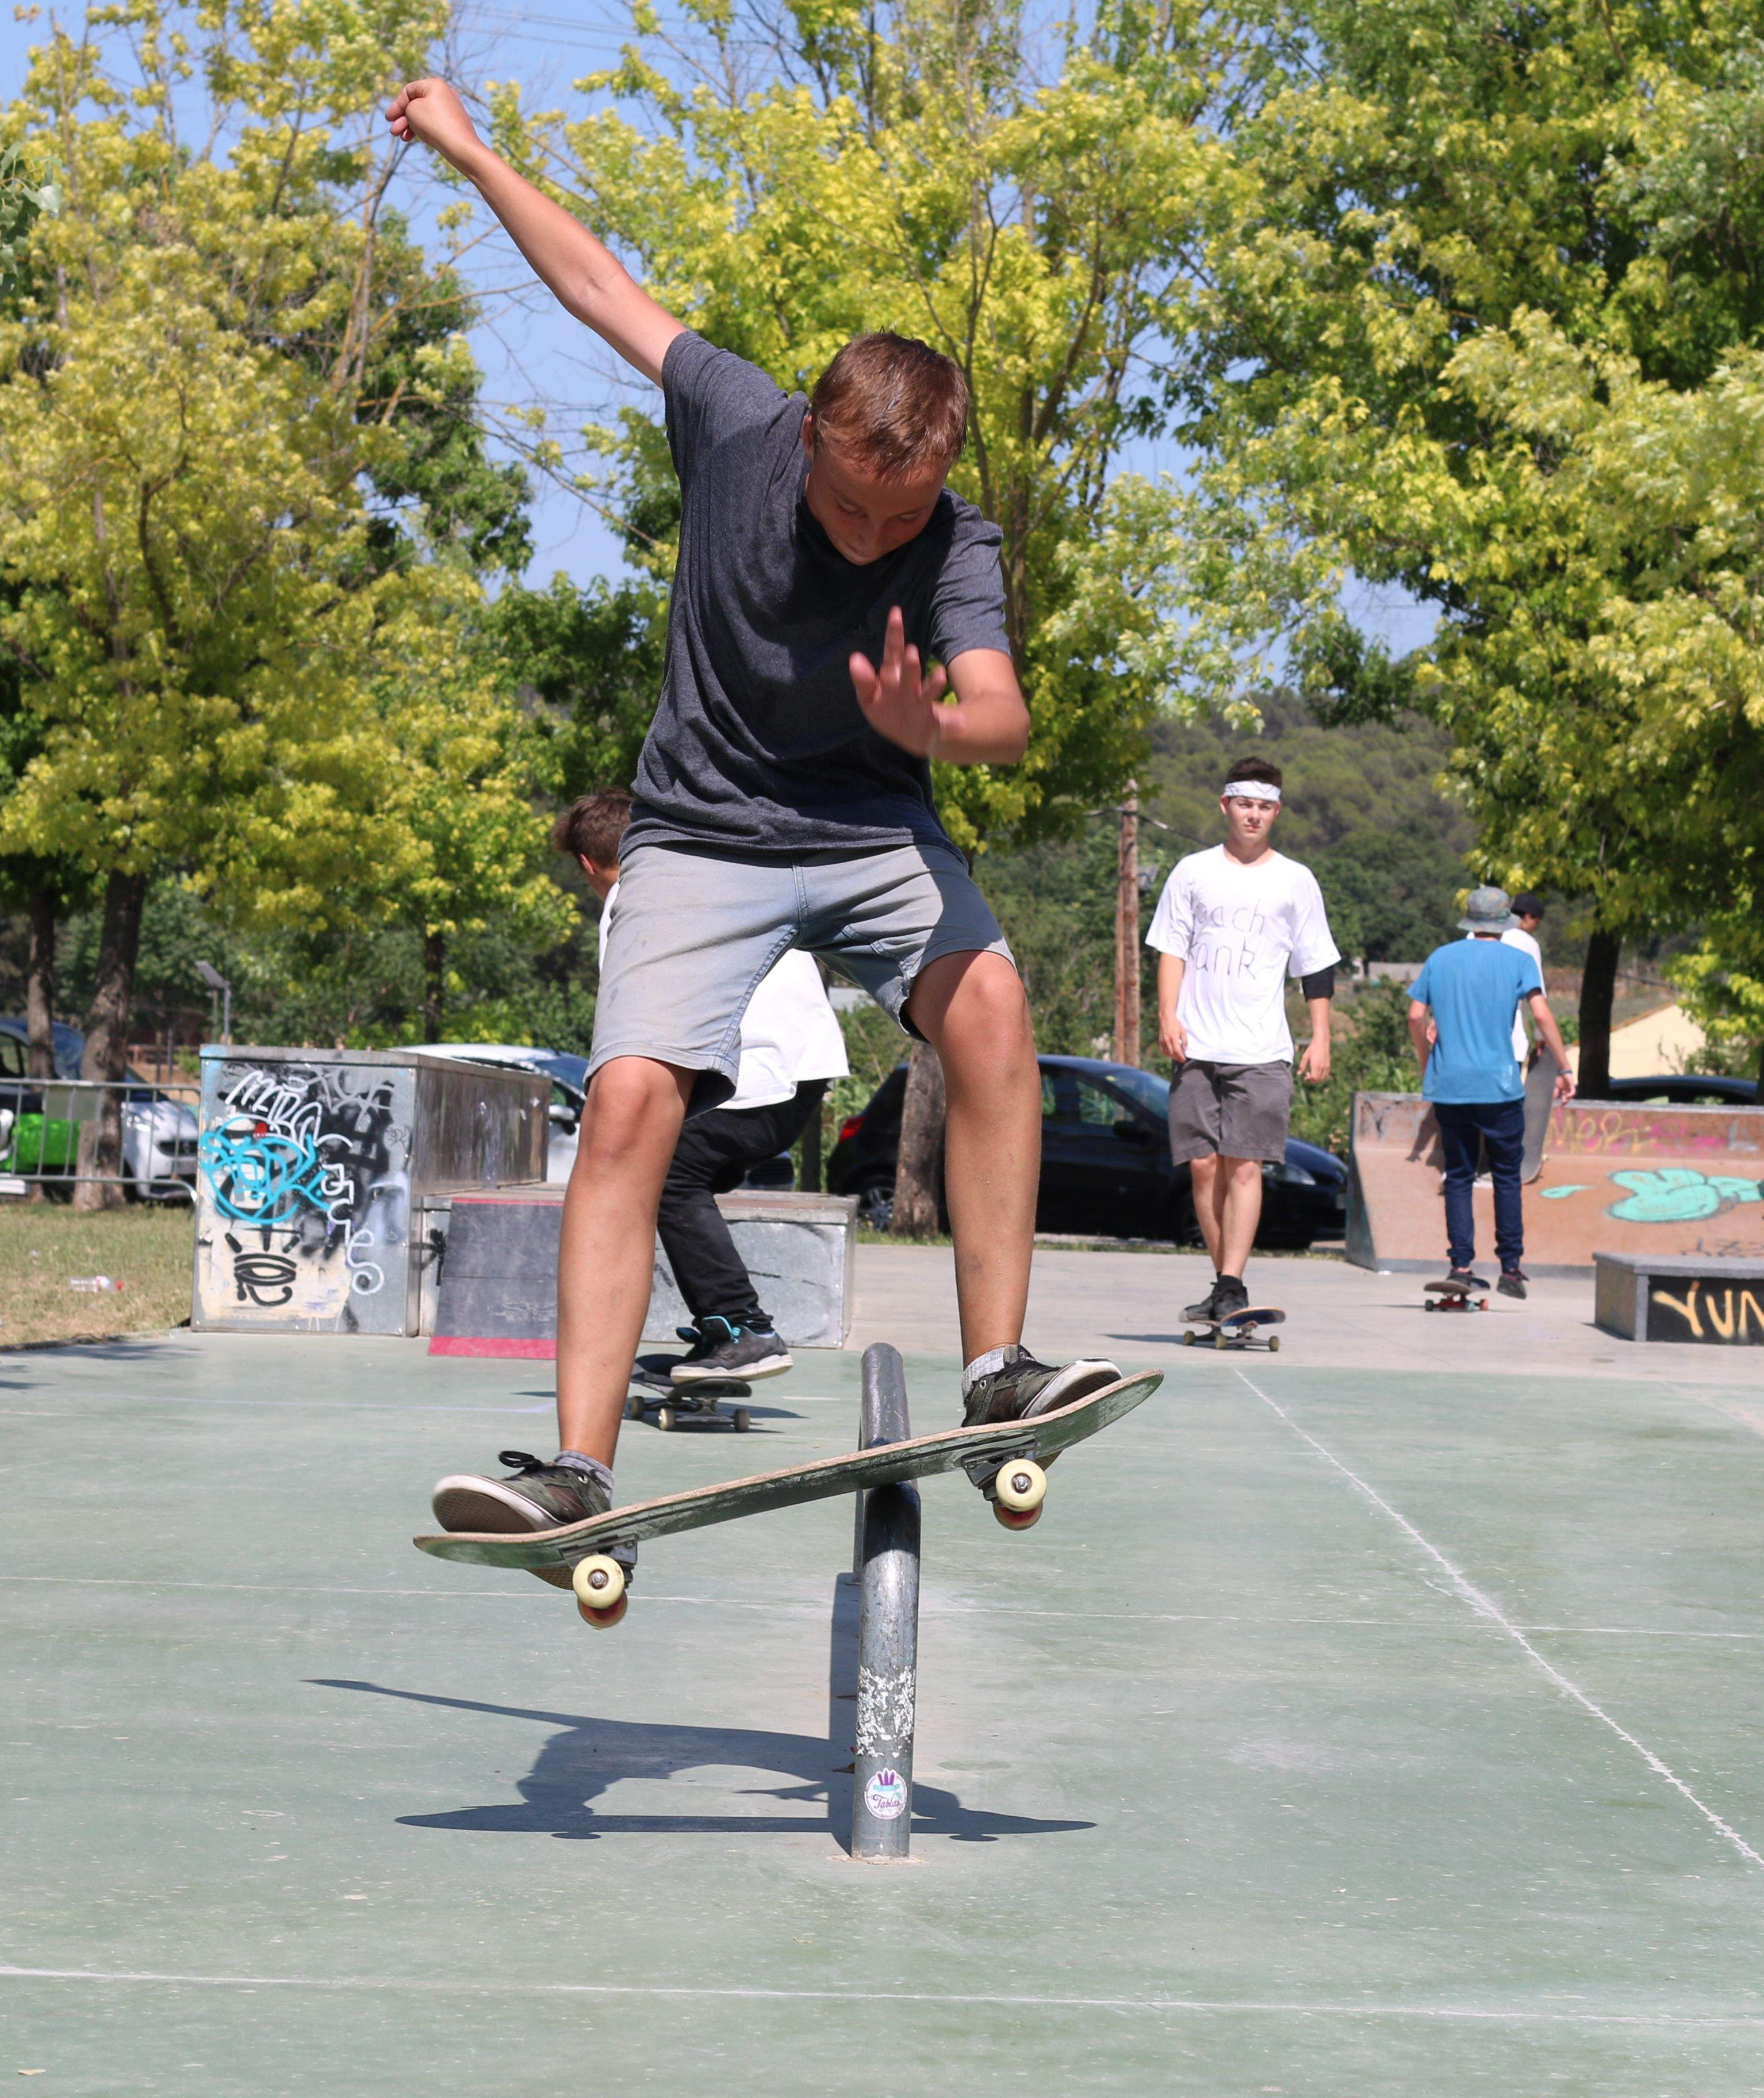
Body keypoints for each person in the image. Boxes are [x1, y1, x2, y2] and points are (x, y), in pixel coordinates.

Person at [387, 78, 1122, 1575]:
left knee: (990, 1007)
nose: (874, 537)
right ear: (811, 442)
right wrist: (468, 146)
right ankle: (579, 1473)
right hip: (702, 830)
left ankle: (999, 1370)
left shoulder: (955, 539)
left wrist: (933, 727)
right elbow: (596, 283)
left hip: (870, 827)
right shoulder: (734, 418)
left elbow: (1002, 712)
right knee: (633, 1101)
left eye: (901, 515)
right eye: (851, 507)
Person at [562, 790, 849, 1382]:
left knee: (665, 1173)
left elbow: (635, 1026)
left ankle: (742, 1327)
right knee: (676, 1176)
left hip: (759, 1072)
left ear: (588, 863)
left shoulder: (631, 900)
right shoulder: (709, 869)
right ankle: (724, 1324)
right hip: (798, 1066)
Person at [1148, 757, 1340, 1323]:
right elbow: (1171, 948)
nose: (1253, 815)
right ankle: (1224, 1285)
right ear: (1226, 805)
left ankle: (1231, 1282)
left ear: (1276, 812)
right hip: (1197, 1045)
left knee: (1246, 1166)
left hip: (1262, 1050)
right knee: (1203, 1167)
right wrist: (1167, 1014)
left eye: (1264, 806)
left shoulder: (1296, 880)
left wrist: (1321, 1037)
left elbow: (1316, 964)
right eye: (1244, 804)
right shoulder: (1192, 871)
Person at [1408, 887, 1573, 1298]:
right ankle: (1511, 1269)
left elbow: (1415, 1015)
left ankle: (1461, 1266)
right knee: (1506, 1175)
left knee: (1459, 1175)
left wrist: (1427, 1060)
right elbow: (1541, 1014)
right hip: (1499, 1086)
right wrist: (1564, 1066)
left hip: (1451, 1085)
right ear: (1505, 923)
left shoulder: (1441, 958)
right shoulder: (1518, 960)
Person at [1505, 894, 1563, 1181]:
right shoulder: (1526, 943)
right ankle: (1507, 1159)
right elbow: (1537, 996)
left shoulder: (1474, 937)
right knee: (1508, 1105)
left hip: (1467, 1041)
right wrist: (1542, 1036)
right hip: (1509, 1040)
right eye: (1536, 923)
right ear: (1528, 917)